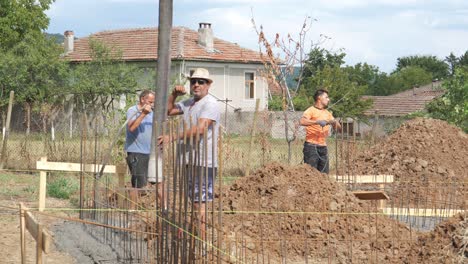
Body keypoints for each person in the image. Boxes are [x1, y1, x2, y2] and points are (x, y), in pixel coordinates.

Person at [158, 68, 220, 242]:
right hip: (188, 160)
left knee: (199, 202)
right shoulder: (189, 103)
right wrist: (173, 94)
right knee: (192, 199)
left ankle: (202, 241)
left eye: (201, 82)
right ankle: (194, 234)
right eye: (193, 81)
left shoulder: (210, 104)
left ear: (208, 85)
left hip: (203, 162)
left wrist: (173, 137)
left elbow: (201, 129)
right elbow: (167, 111)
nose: (196, 85)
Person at [124, 90, 164, 210]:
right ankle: (132, 210)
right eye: (150, 101)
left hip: (152, 153)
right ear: (142, 99)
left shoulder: (153, 113)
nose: (152, 104)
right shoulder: (133, 110)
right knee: (137, 184)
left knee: (159, 181)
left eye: (154, 102)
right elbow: (131, 128)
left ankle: (164, 208)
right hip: (137, 152)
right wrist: (143, 114)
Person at [300, 89, 341, 174]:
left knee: (324, 174)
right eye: (326, 97)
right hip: (311, 146)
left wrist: (334, 122)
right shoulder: (310, 110)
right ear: (319, 98)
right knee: (311, 174)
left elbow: (338, 128)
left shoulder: (327, 113)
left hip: (323, 147)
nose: (328, 99)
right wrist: (317, 121)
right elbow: (302, 121)